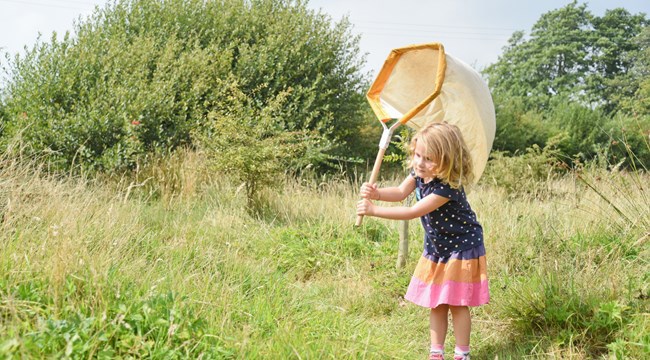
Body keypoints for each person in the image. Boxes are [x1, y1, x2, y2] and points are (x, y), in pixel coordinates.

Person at [357, 122, 489, 360]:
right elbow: (399, 193)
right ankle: (436, 353)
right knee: (436, 302)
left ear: (447, 161)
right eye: (418, 155)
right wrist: (377, 194)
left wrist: (374, 210)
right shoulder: (419, 175)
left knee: (457, 303)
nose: (420, 163)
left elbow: (412, 211)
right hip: (438, 249)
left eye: (429, 159)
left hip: (460, 248)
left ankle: (462, 354)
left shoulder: (447, 188)